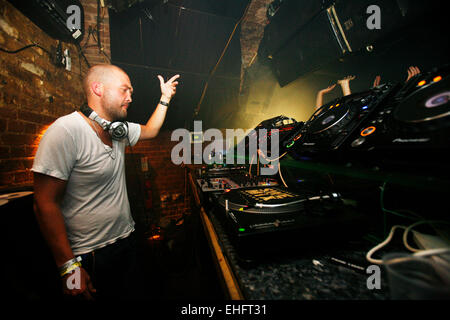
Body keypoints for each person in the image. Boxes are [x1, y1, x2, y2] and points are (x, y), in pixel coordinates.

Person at [32, 64, 180, 300]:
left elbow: (151, 130)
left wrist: (165, 98)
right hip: (88, 255)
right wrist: (69, 270)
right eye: (124, 90)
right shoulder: (66, 131)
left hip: (127, 241)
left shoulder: (117, 130)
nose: (130, 98)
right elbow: (44, 204)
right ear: (98, 88)